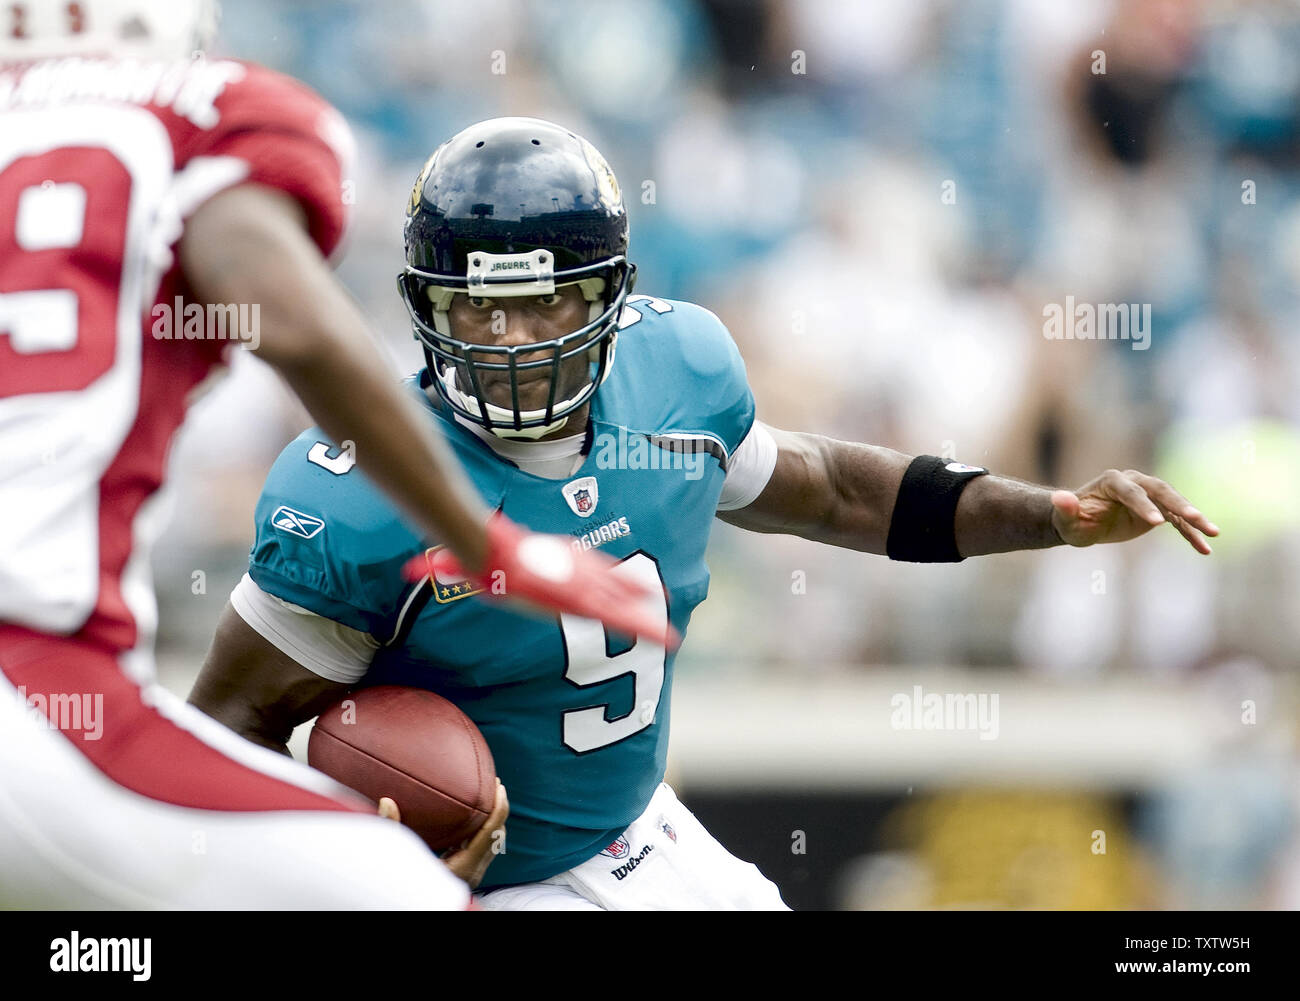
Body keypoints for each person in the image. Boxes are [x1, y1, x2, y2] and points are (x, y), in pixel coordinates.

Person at [188, 116, 1220, 910]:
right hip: (478, 882)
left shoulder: (676, 374)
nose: (512, 337)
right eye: (479, 306)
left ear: (612, 298)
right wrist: (348, 867)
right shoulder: (355, 495)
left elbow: (830, 488)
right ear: (427, 307)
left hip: (641, 833)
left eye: (550, 301)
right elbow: (215, 745)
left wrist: (1049, 512)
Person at [0, 5, 667, 909]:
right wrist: (482, 540)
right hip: (37, 692)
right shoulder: (196, 114)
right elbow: (291, 319)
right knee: (400, 890)